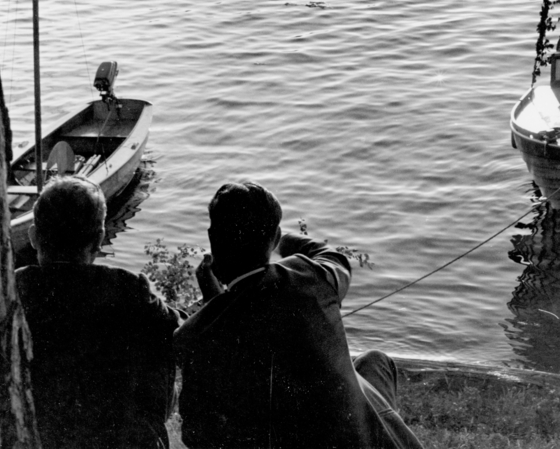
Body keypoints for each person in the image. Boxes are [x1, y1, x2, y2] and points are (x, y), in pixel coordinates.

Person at [175, 181, 423, 449]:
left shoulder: (194, 335)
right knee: (375, 362)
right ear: (273, 237)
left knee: (373, 363)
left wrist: (216, 301)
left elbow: (197, 435)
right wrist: (283, 238)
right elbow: (334, 259)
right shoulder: (308, 277)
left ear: (213, 238)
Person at [14, 176, 181, 449]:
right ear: (100, 238)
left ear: (33, 237)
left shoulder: (13, 289)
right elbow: (180, 332)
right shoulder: (128, 288)